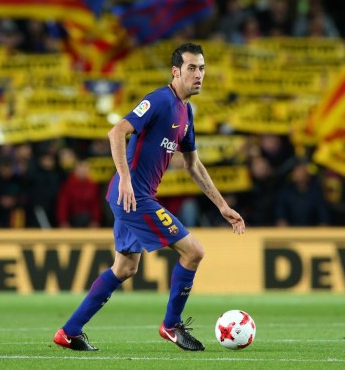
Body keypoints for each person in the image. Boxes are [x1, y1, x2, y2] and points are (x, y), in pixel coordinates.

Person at [53, 43, 246, 352]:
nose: (199, 75)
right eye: (192, 68)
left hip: (133, 196)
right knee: (193, 252)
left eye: (202, 68)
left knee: (125, 268)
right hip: (134, 196)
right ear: (176, 71)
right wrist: (126, 180)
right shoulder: (159, 100)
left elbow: (193, 165)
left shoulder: (185, 112)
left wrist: (223, 206)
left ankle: (69, 331)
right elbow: (116, 132)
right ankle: (170, 326)